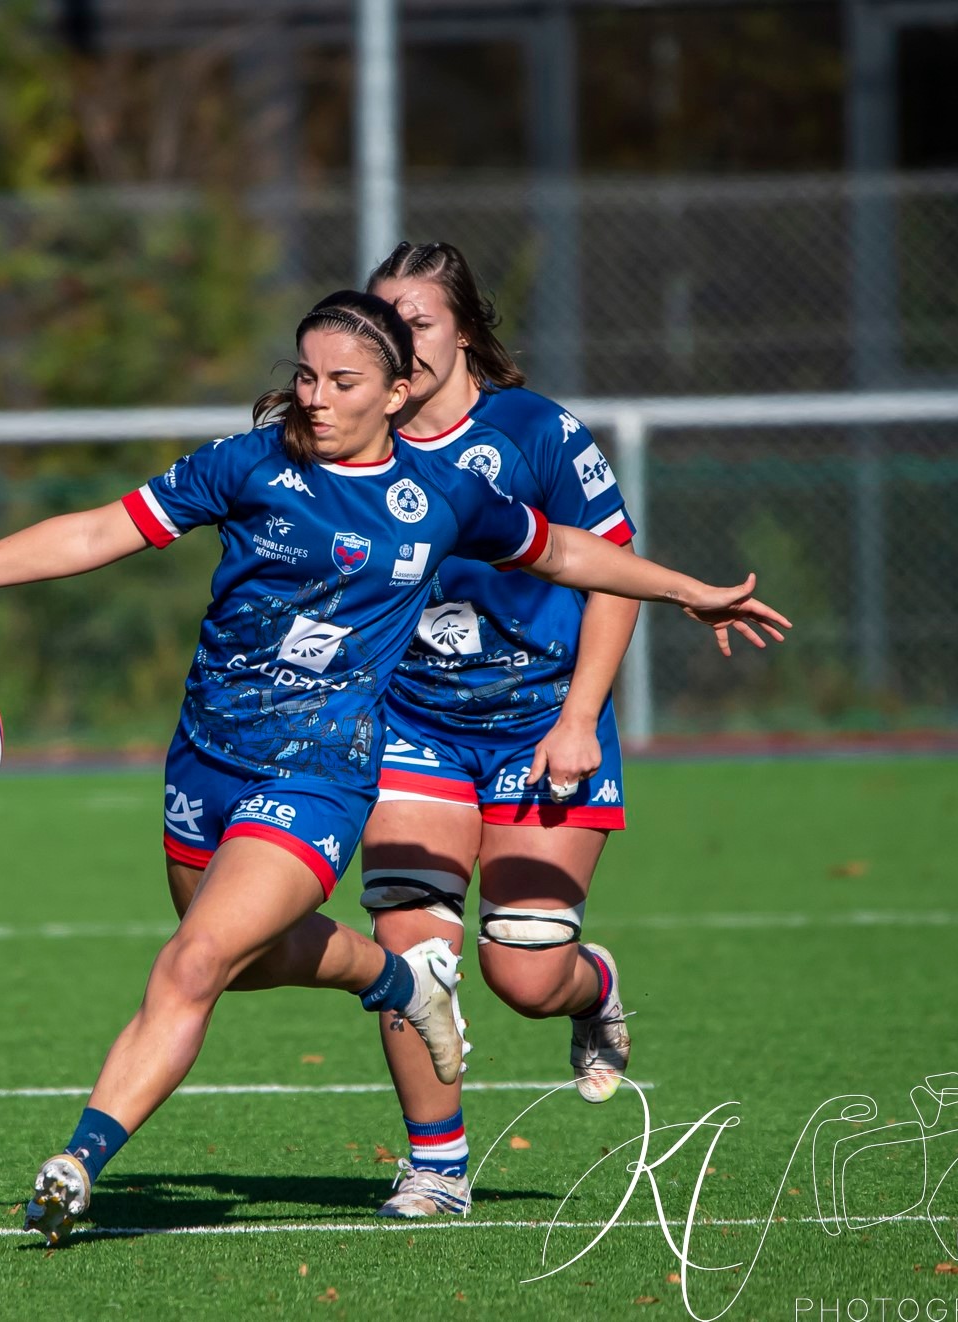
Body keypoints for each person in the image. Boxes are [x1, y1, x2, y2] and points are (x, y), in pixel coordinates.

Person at [0, 289, 788, 1244]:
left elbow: (569, 552)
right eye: (305, 375)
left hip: (321, 769)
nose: (317, 397)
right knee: (234, 955)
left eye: (343, 381)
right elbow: (99, 530)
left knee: (196, 961)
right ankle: (390, 977)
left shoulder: (445, 494)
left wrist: (685, 592)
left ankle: (76, 1163)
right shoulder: (248, 464)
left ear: (396, 391)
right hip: (207, 755)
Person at [356, 241, 647, 1219]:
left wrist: (578, 721)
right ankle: (436, 1166)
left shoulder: (534, 432)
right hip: (416, 725)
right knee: (415, 953)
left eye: (421, 322)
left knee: (523, 973)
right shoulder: (355, 440)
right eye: (384, 324)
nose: (401, 343)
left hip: (541, 724)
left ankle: (591, 983)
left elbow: (613, 567)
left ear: (468, 331)